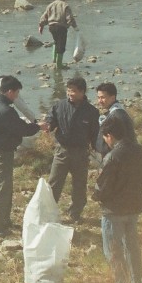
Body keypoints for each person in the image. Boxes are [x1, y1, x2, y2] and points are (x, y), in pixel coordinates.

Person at [0, 75, 42, 237]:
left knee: (6, 186)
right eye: (17, 92)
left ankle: (4, 220)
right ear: (10, 92)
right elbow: (21, 129)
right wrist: (37, 126)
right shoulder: (5, 110)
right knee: (2, 187)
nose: (17, 96)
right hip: (2, 151)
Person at [93, 114, 142, 283]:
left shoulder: (112, 157)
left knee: (113, 249)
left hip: (113, 210)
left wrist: (97, 196)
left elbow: (102, 187)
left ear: (109, 135)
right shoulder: (140, 150)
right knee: (132, 246)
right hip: (134, 206)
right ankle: (136, 280)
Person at [43, 76, 100, 223]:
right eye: (68, 90)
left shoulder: (92, 112)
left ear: (82, 92)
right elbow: (51, 119)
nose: (70, 94)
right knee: (54, 184)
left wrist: (97, 151)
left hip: (81, 153)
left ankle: (75, 214)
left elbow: (95, 134)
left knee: (79, 185)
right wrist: (48, 125)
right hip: (62, 151)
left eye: (73, 91)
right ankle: (49, 214)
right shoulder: (59, 106)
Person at [38, 0, 78, 69]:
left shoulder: (50, 5)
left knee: (56, 41)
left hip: (51, 27)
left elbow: (44, 17)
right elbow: (69, 18)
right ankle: (59, 65)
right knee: (61, 45)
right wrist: (75, 27)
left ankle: (54, 60)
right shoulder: (65, 5)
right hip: (61, 27)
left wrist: (41, 26)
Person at [94, 82, 136, 157]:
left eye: (103, 97)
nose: (99, 101)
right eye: (98, 97)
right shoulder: (113, 112)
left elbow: (123, 141)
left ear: (112, 98)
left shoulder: (117, 116)